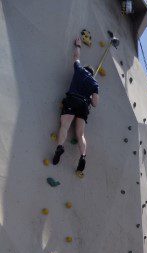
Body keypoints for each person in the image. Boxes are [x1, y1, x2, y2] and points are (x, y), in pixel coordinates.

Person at [52, 37, 99, 173]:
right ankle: (83, 157)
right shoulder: (95, 84)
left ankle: (60, 147)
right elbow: (95, 103)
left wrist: (78, 45)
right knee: (80, 134)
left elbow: (76, 56)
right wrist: (89, 96)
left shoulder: (79, 69)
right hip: (84, 105)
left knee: (65, 126)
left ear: (85, 69)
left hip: (73, 99)